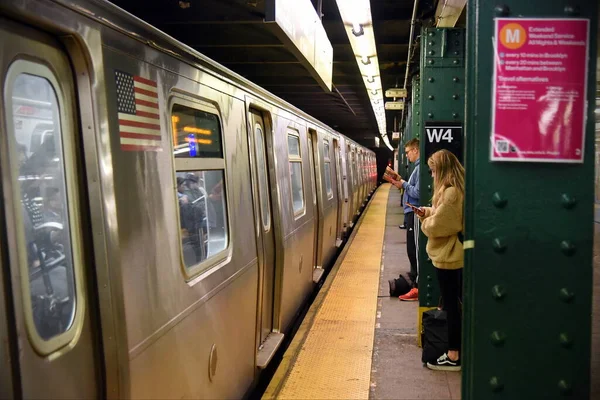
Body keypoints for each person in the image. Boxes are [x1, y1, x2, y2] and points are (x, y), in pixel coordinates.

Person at [414, 149, 464, 371]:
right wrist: (426, 212)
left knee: (452, 306)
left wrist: (426, 223)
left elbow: (441, 225)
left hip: (450, 256)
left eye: (433, 171)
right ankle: (456, 349)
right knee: (453, 302)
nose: (432, 175)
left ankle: (453, 355)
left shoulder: (452, 192)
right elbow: (441, 213)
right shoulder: (453, 190)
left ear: (442, 170)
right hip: (451, 254)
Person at [391, 138, 420, 301]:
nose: (407, 156)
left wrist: (403, 184)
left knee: (413, 251)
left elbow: (417, 192)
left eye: (408, 152)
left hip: (414, 213)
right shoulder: (416, 169)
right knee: (411, 250)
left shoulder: (420, 169)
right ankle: (415, 284)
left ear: (416, 150)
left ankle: (416, 287)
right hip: (411, 212)